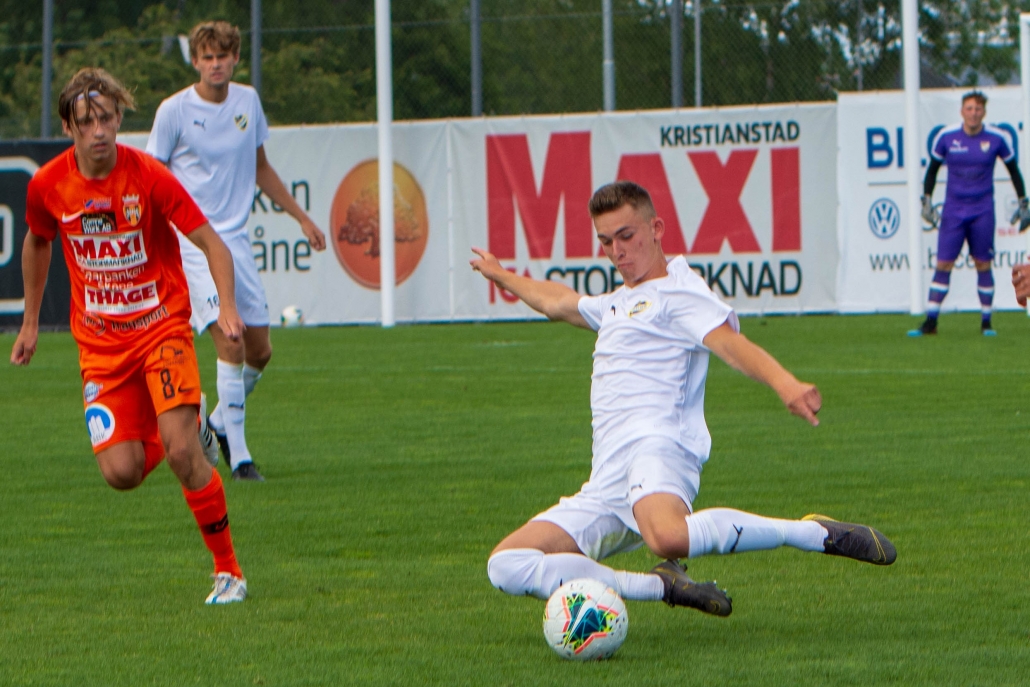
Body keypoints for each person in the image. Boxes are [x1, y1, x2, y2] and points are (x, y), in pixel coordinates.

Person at [471, 181, 896, 617]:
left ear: (656, 228)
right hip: (607, 478)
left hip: (659, 448)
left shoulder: (681, 292)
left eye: (626, 236)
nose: (617, 251)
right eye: (606, 241)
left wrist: (785, 384)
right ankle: (661, 586)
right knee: (507, 564)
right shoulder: (618, 302)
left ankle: (813, 534)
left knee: (667, 537)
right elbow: (559, 302)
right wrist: (501, 274)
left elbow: (730, 344)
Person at [9, 67, 248, 604]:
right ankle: (190, 424)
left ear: (119, 117)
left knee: (182, 455)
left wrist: (227, 307)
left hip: (162, 327)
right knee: (122, 472)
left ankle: (228, 571)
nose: (98, 131)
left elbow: (212, 243)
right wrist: (30, 322)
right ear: (69, 127)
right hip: (101, 347)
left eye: (106, 118)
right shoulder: (48, 184)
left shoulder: (148, 177)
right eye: (86, 121)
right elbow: (38, 241)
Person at [146, 21, 327, 482]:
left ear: (235, 59)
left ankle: (217, 423)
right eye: (207, 57)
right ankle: (240, 457)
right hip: (193, 243)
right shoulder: (173, 111)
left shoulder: (247, 102)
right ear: (195, 61)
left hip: (237, 242)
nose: (215, 64)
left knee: (259, 351)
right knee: (230, 340)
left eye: (223, 56)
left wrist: (301, 217)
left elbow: (261, 168)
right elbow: (152, 177)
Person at [910, 90, 1030, 337]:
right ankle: (931, 322)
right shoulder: (947, 137)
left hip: (982, 211)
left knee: (983, 264)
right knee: (943, 263)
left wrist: (1023, 202)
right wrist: (927, 200)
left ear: (984, 112)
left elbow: (1013, 170)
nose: (973, 113)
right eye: (969, 108)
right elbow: (932, 170)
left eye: (978, 109)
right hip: (953, 212)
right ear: (962, 111)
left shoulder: (996, 138)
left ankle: (986, 323)